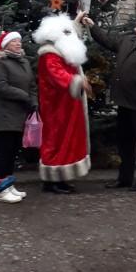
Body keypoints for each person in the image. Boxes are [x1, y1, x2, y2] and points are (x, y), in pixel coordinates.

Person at [78, 12, 136, 191]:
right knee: (125, 141)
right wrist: (92, 26)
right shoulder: (128, 41)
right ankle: (124, 178)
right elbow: (108, 41)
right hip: (124, 101)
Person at [32, 14, 91, 193]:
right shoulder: (49, 54)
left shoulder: (60, 49)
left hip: (66, 106)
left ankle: (61, 177)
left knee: (66, 140)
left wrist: (77, 21)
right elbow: (57, 75)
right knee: (55, 141)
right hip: (56, 108)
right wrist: (78, 81)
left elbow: (72, 37)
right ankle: (51, 180)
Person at [0, 30, 36, 204]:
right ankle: (0, 190)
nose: (18, 44)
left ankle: (9, 185)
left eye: (19, 41)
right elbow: (0, 86)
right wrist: (23, 96)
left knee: (13, 152)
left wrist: (33, 101)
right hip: (6, 115)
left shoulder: (24, 62)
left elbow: (32, 85)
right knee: (5, 152)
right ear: (6, 45)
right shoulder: (1, 62)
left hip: (21, 114)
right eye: (14, 41)